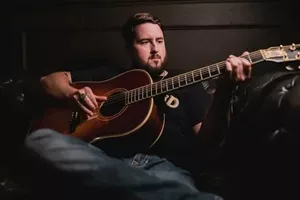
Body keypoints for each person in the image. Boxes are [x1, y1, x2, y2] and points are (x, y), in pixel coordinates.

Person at [23, 13, 251, 200]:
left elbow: (208, 144)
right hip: (101, 158)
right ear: (129, 49)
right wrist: (75, 94)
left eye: (159, 41)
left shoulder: (187, 84)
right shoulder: (109, 76)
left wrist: (224, 91)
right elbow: (48, 81)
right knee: (40, 140)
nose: (155, 48)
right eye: (145, 42)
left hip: (163, 170)